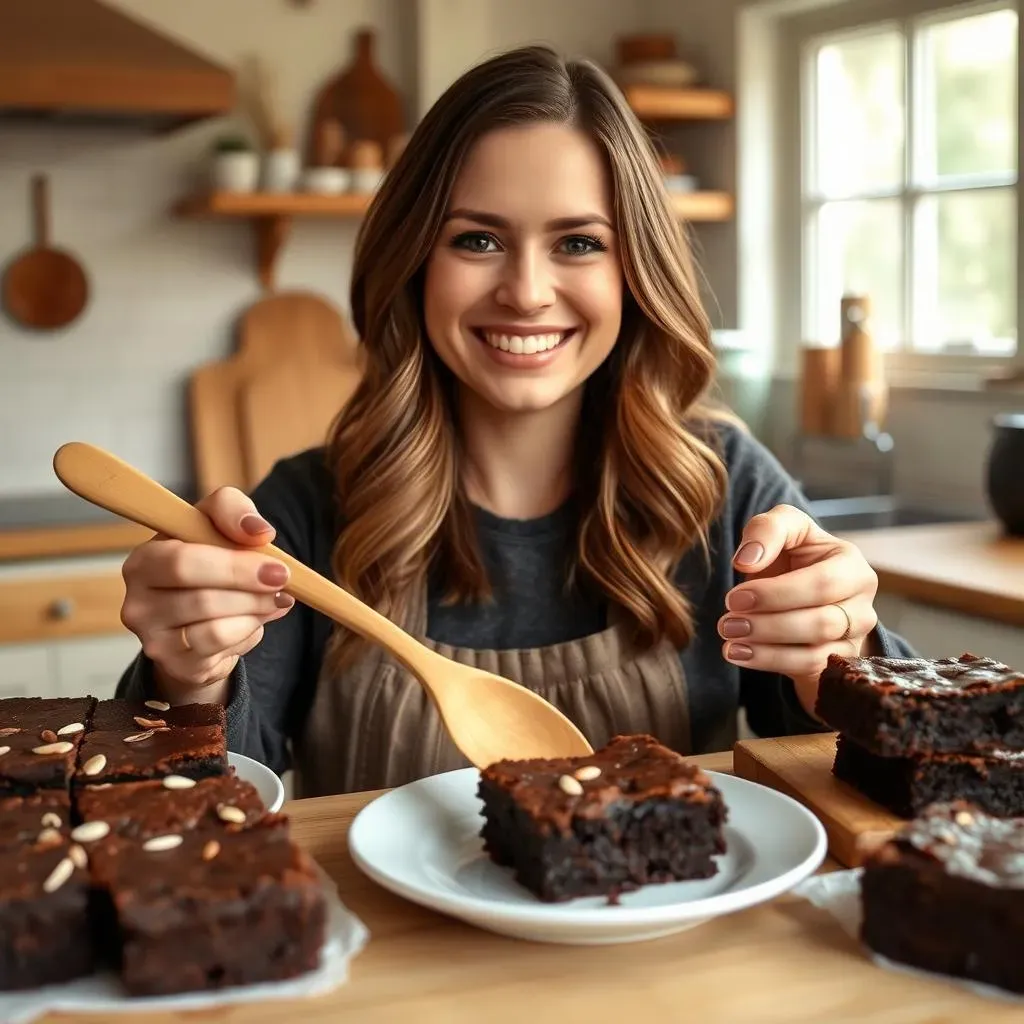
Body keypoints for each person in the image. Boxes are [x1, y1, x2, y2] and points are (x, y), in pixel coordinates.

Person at [116, 45, 913, 796]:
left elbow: (885, 783)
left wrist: (847, 662)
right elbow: (191, 808)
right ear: (415, 262)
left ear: (635, 268)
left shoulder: (726, 490)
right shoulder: (305, 509)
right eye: (479, 239)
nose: (527, 291)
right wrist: (189, 676)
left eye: (577, 242)